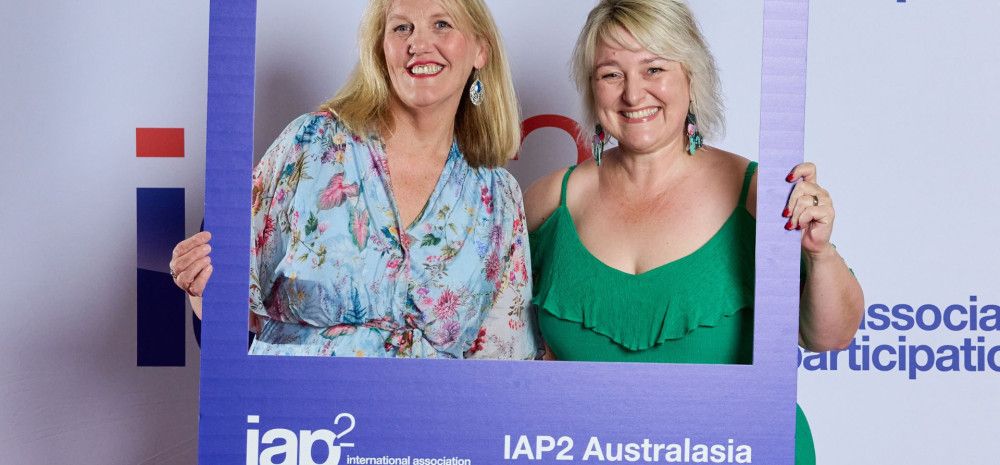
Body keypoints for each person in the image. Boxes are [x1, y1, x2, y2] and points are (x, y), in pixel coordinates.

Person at [522, 1, 864, 464]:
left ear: (691, 76)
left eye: (654, 68)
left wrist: (820, 253)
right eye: (611, 74)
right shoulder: (547, 202)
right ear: (592, 88)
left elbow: (831, 336)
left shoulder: (760, 193)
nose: (633, 93)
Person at [169, 0, 539, 359]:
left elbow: (501, 365)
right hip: (298, 415)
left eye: (442, 24)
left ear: (480, 51)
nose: (419, 44)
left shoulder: (498, 197)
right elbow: (230, 304)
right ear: (381, 49)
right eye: (401, 27)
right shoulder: (311, 144)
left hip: (428, 418)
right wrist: (201, 284)